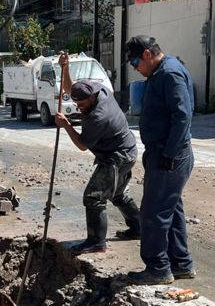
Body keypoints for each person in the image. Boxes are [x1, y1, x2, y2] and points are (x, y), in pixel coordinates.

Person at [125, 35, 196, 285]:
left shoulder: (169, 73)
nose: (135, 68)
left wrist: (168, 154)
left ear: (147, 54)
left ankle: (158, 268)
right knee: (171, 209)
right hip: (165, 152)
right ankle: (181, 265)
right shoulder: (162, 72)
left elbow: (182, 116)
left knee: (153, 213)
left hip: (170, 154)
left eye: (135, 61)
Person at [54, 51, 141, 254]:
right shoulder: (99, 90)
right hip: (126, 150)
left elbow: (83, 145)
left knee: (93, 197)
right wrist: (65, 67)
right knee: (118, 193)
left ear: (92, 97)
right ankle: (139, 228)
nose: (79, 106)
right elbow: (71, 88)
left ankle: (96, 242)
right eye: (76, 103)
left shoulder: (98, 117)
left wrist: (66, 125)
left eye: (82, 104)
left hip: (117, 157)